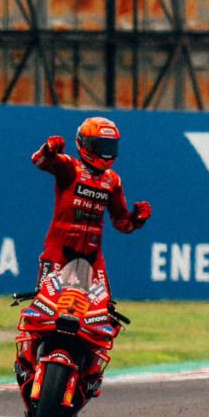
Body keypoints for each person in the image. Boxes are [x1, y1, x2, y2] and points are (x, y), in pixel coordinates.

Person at [30, 117, 151, 294]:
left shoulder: (113, 180)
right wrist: (48, 150)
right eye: (101, 146)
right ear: (85, 144)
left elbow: (122, 223)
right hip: (59, 250)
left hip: (93, 256)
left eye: (110, 146)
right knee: (44, 302)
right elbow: (38, 161)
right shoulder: (70, 167)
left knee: (105, 308)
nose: (106, 152)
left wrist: (136, 219)